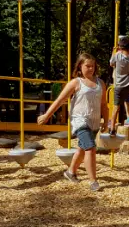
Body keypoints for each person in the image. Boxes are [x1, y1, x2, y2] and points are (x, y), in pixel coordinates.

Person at [37, 53, 108, 192]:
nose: (91, 69)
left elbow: (104, 104)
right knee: (90, 148)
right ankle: (93, 181)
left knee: (82, 149)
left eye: (93, 66)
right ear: (80, 66)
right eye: (87, 66)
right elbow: (59, 100)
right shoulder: (76, 83)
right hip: (79, 120)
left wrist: (106, 121)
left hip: (94, 122)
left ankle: (71, 172)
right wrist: (46, 115)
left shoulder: (101, 83)